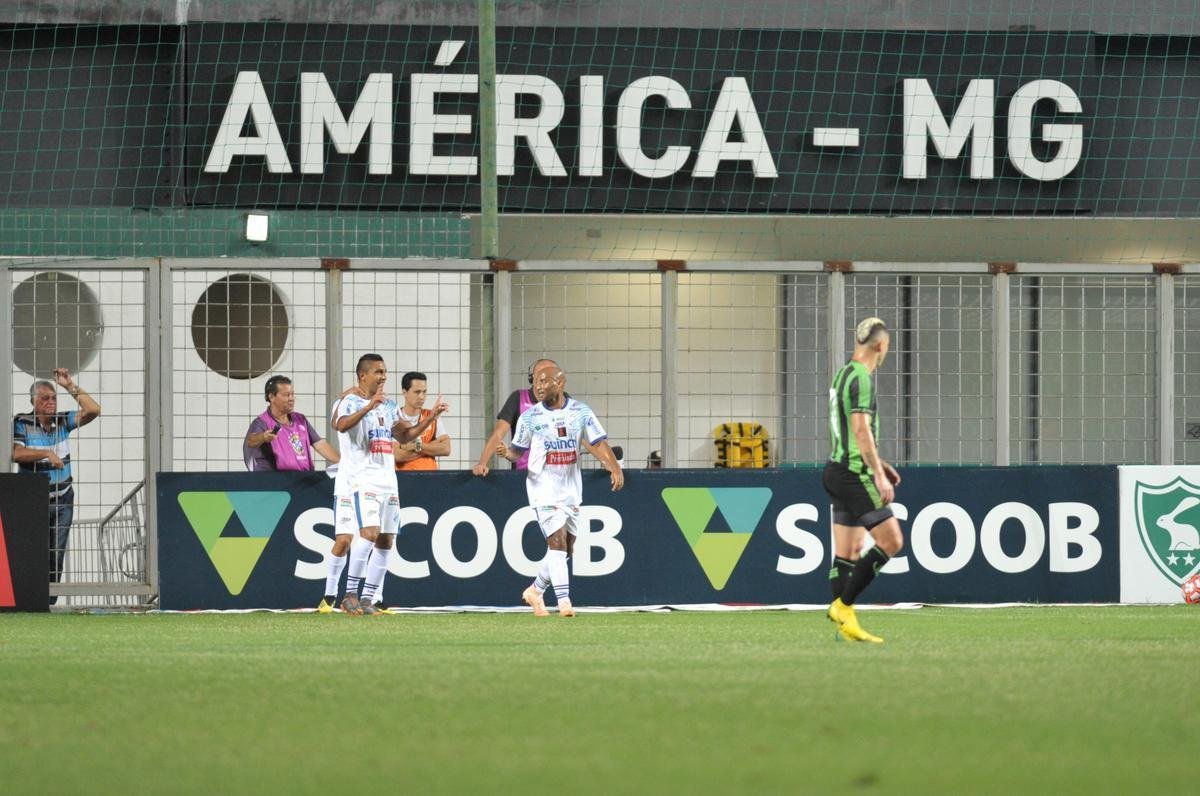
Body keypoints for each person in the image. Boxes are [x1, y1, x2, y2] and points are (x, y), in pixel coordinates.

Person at [317, 354, 447, 616]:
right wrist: (367, 407)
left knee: (387, 540)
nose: (383, 376)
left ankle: (368, 599)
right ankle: (348, 594)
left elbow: (405, 434)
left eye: (385, 372)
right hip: (362, 480)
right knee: (368, 534)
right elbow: (340, 426)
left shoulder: (388, 406)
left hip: (388, 480)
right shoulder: (348, 402)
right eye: (378, 372)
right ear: (362, 375)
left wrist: (430, 418)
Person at [498, 360, 623, 617]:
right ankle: (564, 602)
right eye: (535, 381)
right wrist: (506, 452)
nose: (538, 386)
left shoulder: (580, 412)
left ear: (560, 382)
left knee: (568, 547)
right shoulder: (530, 417)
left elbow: (598, 442)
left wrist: (615, 467)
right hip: (542, 485)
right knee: (556, 542)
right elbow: (517, 451)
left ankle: (535, 590)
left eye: (544, 381)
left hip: (570, 488)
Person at [824, 317, 905, 644]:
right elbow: (860, 429)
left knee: (850, 550)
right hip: (855, 475)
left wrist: (880, 463)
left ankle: (845, 625)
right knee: (892, 541)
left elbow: (846, 430)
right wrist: (875, 472)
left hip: (835, 469)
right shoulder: (864, 379)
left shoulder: (843, 373)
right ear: (882, 346)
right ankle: (843, 607)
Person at [11, 368, 101, 601]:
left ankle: (48, 600)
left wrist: (69, 385)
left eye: (53, 398)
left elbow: (94, 410)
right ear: (34, 401)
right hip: (33, 499)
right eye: (45, 398)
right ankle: (29, 597)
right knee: (32, 550)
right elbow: (16, 453)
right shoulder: (22, 421)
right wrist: (46, 453)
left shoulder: (63, 420)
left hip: (63, 497)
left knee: (56, 553)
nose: (51, 402)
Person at [243, 375, 339, 471]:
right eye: (286, 395)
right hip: (277, 481)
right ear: (271, 397)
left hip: (303, 479)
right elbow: (251, 441)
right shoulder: (262, 422)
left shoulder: (300, 419)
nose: (291, 398)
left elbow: (320, 445)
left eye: (292, 394)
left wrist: (344, 463)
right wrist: (263, 437)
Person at [393, 371, 451, 471]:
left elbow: (446, 449)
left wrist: (415, 446)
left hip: (430, 479)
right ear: (404, 392)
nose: (421, 397)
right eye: (417, 392)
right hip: (404, 480)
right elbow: (397, 455)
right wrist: (432, 447)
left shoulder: (433, 416)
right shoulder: (395, 418)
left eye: (424, 392)